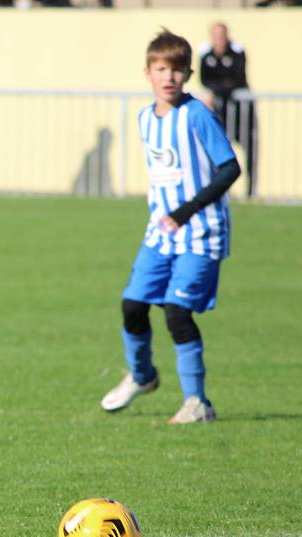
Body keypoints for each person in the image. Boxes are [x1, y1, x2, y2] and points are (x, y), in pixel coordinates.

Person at [100, 29, 240, 424]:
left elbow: (230, 168)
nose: (169, 77)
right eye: (161, 69)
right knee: (132, 305)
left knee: (177, 312)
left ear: (188, 74)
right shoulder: (146, 118)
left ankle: (198, 403)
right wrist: (168, 215)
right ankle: (142, 376)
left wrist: (187, 209)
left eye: (177, 70)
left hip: (201, 232)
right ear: (147, 72)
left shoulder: (197, 115)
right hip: (160, 233)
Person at [200, 22, 257, 197]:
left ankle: (250, 192)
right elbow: (204, 80)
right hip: (220, 113)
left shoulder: (238, 52)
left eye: (222, 35)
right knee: (219, 152)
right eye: (216, 35)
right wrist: (221, 88)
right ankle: (218, 191)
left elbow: (238, 79)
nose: (219, 39)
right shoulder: (206, 54)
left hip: (242, 113)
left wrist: (217, 90)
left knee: (250, 151)